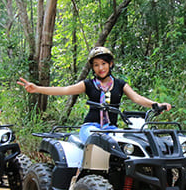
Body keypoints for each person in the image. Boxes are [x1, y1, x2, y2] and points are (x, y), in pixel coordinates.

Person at [17, 46, 171, 142]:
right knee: (96, 141)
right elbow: (64, 90)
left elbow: (137, 98)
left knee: (132, 143)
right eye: (96, 65)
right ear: (92, 67)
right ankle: (79, 177)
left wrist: (156, 105)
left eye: (103, 63)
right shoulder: (88, 84)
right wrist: (37, 88)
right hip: (91, 127)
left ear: (110, 64)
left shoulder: (120, 84)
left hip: (112, 128)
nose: (100, 68)